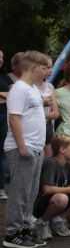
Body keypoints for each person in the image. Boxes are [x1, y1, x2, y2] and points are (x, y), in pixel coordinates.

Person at [2, 51, 50, 248]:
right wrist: (22, 146)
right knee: (20, 191)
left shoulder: (32, 89)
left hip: (35, 147)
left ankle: (24, 228)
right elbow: (14, 118)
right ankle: (12, 233)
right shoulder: (19, 89)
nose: (48, 71)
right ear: (33, 67)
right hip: (23, 147)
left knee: (30, 192)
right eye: (45, 67)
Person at [32, 135, 70, 240]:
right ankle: (42, 222)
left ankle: (58, 219)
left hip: (57, 200)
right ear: (62, 150)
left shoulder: (68, 165)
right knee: (61, 198)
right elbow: (47, 189)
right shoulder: (50, 162)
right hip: (42, 204)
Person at [0, 49, 12, 200]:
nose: (1, 60)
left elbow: (13, 94)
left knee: (1, 151)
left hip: (3, 117)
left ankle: (1, 187)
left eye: (2, 57)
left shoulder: (4, 77)